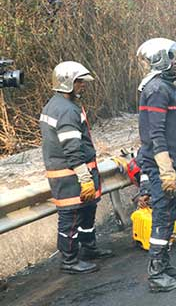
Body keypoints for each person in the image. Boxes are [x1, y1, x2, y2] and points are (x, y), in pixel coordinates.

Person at [39, 61, 113, 275]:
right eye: (79, 81)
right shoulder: (65, 111)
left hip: (77, 173)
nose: (83, 85)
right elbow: (71, 148)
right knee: (70, 218)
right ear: (66, 83)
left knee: (87, 213)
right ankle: (69, 261)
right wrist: (84, 177)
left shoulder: (59, 105)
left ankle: (89, 248)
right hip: (71, 176)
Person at [136, 37, 176, 292]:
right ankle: (157, 274)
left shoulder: (161, 87)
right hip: (161, 163)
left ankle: (165, 265)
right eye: (171, 56)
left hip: (164, 161)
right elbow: (156, 133)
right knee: (161, 215)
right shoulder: (157, 89)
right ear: (162, 59)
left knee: (168, 213)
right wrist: (165, 168)